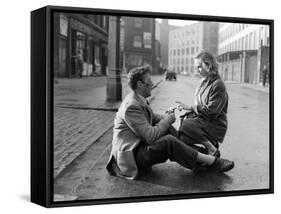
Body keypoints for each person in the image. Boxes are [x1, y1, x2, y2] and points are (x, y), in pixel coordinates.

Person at [106, 65, 234, 180]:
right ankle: (212, 161)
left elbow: (150, 117)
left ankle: (199, 157)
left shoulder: (137, 98)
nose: (152, 83)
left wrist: (164, 117)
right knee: (168, 141)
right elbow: (150, 137)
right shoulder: (131, 106)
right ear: (140, 85)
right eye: (149, 81)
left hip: (138, 146)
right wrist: (167, 121)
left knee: (168, 130)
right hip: (131, 157)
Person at [176, 51, 229, 158]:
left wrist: (190, 108)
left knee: (186, 124)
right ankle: (204, 154)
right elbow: (200, 105)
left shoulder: (218, 84)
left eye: (199, 67)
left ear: (208, 65)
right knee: (181, 137)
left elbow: (212, 112)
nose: (197, 70)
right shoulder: (203, 82)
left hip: (215, 124)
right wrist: (189, 111)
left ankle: (211, 148)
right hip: (204, 120)